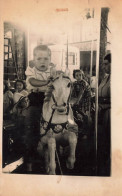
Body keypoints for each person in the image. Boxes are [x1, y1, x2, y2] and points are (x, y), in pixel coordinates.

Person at [23, 45, 53, 172]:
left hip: (50, 102)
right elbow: (33, 82)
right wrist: (46, 82)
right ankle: (29, 159)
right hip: (36, 101)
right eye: (39, 58)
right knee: (32, 129)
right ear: (34, 59)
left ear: (50, 59)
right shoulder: (31, 70)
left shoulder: (53, 70)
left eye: (46, 59)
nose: (42, 62)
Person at [97, 53, 111, 176]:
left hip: (110, 112)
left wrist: (101, 101)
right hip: (101, 111)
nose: (103, 66)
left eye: (106, 64)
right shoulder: (106, 78)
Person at [71, 69, 91, 138]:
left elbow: (81, 93)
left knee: (85, 115)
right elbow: (72, 93)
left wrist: (76, 102)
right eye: (77, 75)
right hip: (79, 100)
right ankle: (79, 130)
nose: (79, 77)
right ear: (74, 76)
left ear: (82, 76)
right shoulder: (74, 83)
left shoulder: (83, 83)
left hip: (85, 101)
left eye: (80, 75)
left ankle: (85, 132)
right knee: (75, 113)